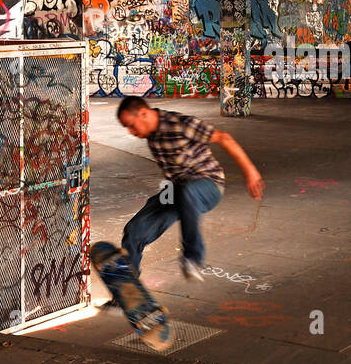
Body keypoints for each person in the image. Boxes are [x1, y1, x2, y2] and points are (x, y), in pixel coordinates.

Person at [97, 97, 265, 344]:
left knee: (188, 191)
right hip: (175, 191)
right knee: (135, 229)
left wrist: (251, 172)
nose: (132, 133)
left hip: (208, 186)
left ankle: (193, 258)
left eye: (132, 126)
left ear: (144, 113)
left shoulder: (180, 123)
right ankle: (125, 293)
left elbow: (225, 138)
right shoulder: (151, 133)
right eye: (127, 129)